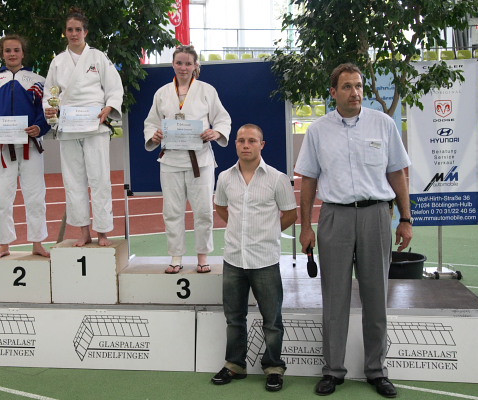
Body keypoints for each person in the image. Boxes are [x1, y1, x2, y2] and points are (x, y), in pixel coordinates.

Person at [294, 63, 413, 398]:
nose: (355, 93)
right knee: (335, 299)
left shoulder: (383, 124)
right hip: (335, 217)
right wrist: (306, 227)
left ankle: (377, 371)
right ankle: (333, 371)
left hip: (377, 216)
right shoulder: (318, 131)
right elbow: (308, 181)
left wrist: (405, 219)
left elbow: (397, 173)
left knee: (376, 297)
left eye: (358, 86)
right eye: (347, 87)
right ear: (333, 92)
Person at [211, 124, 297, 392]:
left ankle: (274, 367)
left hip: (265, 260)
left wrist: (268, 232)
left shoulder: (277, 179)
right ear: (235, 144)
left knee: (272, 320)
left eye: (251, 141)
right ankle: (235, 365)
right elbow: (220, 207)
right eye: (241, 140)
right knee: (234, 318)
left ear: (262, 145)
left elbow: (290, 214)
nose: (245, 145)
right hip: (234, 259)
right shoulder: (225, 177)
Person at [144, 45, 231, 274]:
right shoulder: (162, 93)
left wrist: (216, 132)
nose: (183, 67)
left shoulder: (207, 91)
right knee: (172, 211)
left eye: (188, 63)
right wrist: (154, 135)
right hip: (171, 160)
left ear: (195, 66)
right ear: (173, 64)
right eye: (179, 63)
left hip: (199, 161)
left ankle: (203, 256)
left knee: (203, 211)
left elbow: (223, 119)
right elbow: (151, 122)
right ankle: (176, 257)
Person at [43, 7, 124, 247]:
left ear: (85, 32)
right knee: (73, 181)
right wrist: (51, 109)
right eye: (70, 29)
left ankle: (103, 231)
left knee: (100, 179)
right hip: (68, 126)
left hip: (95, 124)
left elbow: (114, 88)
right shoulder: (57, 62)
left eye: (78, 29)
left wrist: (109, 107)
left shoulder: (98, 57)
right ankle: (83, 232)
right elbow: (49, 94)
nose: (74, 33)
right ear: (65, 32)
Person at [0, 34, 50, 260]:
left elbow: (48, 111)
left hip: (31, 147)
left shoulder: (37, 81)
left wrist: (40, 127)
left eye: (16, 50)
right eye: (8, 50)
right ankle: (4, 244)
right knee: (1, 199)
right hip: (2, 149)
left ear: (23, 53)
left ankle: (37, 242)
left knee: (35, 197)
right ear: (2, 54)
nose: (12, 54)